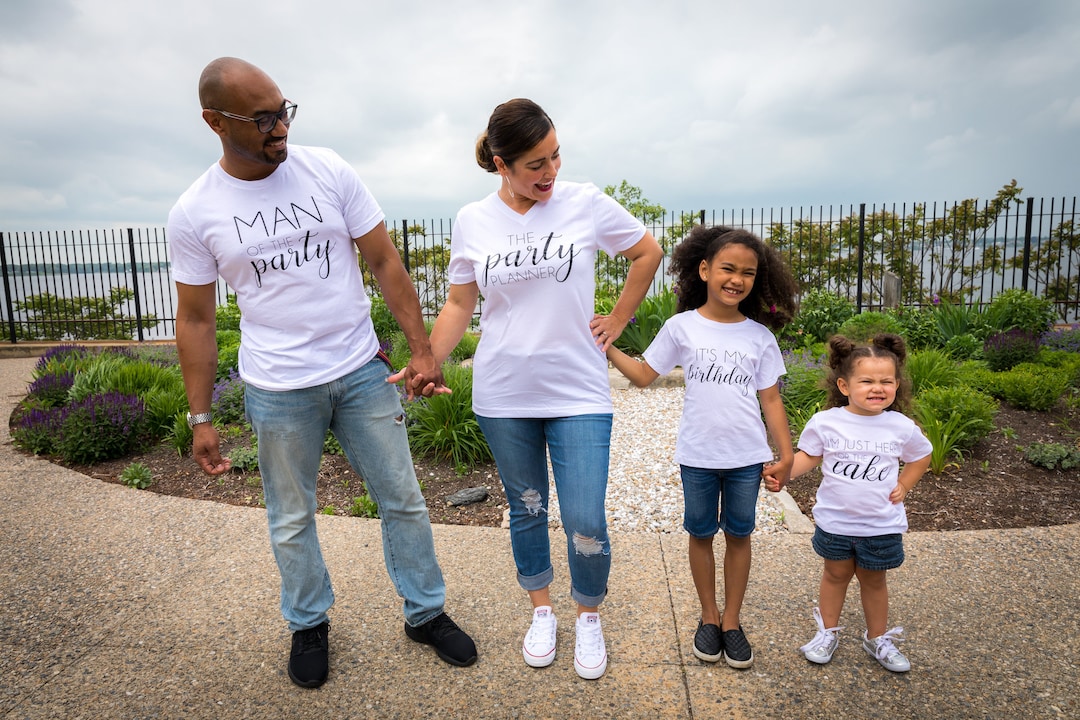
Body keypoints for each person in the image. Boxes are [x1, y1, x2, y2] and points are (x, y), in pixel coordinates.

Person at [167, 57, 476, 689]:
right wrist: (200, 415)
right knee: (290, 516)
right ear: (213, 122)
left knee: (404, 500)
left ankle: (426, 613)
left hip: (362, 371)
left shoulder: (328, 168)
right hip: (277, 389)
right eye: (262, 119)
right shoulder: (195, 212)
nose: (280, 127)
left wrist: (420, 349)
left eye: (284, 111)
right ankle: (308, 623)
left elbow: (386, 261)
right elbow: (196, 319)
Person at [420, 98, 662, 680]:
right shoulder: (473, 220)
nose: (549, 171)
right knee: (526, 509)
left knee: (585, 516)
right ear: (501, 164)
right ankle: (543, 611)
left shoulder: (584, 202)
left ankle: (588, 617)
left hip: (579, 389)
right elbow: (459, 302)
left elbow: (646, 252)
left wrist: (619, 321)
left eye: (555, 156)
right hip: (504, 393)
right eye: (534, 164)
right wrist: (430, 359)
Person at [606, 225, 798, 669]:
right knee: (700, 533)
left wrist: (785, 455)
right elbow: (641, 376)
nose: (737, 279)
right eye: (728, 268)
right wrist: (606, 345)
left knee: (739, 534)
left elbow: (770, 398)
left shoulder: (759, 337)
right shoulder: (681, 327)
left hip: (747, 458)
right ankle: (708, 617)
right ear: (705, 269)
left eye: (748, 273)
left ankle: (732, 621)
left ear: (756, 280)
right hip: (697, 456)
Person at [767, 334, 932, 673]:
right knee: (835, 574)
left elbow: (922, 455)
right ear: (844, 385)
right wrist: (783, 475)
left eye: (887, 381)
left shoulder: (899, 426)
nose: (878, 388)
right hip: (836, 522)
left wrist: (905, 483)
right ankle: (827, 633)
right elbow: (808, 456)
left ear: (897, 385)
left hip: (880, 524)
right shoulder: (827, 422)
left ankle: (878, 639)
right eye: (867, 380)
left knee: (874, 580)